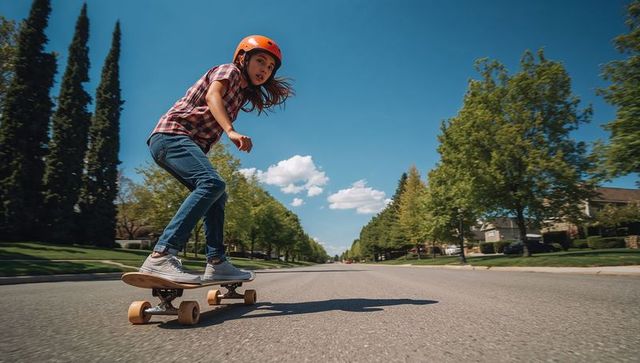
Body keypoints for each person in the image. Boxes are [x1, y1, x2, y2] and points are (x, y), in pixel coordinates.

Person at [139, 35, 293, 283]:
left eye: (270, 67)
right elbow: (213, 97)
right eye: (260, 61)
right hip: (171, 135)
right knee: (212, 184)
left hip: (177, 142)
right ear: (243, 58)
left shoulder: (242, 92)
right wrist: (230, 131)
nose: (264, 70)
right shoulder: (228, 70)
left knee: (217, 194)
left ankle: (217, 262)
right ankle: (161, 255)